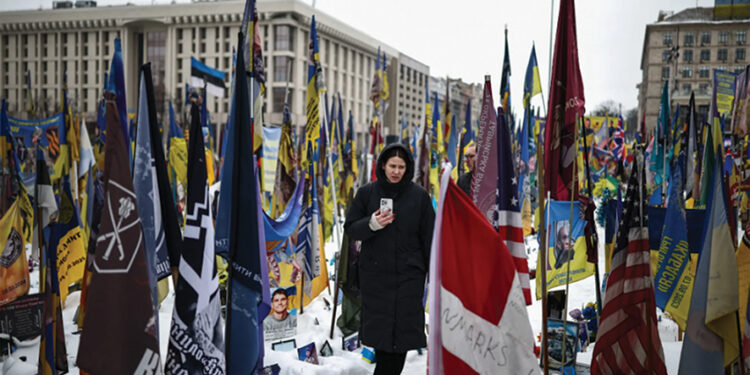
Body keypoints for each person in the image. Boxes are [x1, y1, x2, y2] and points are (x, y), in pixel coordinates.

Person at [344, 143, 435, 375]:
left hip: (409, 278)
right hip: (376, 279)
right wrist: (371, 224)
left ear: (408, 168)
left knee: (401, 341)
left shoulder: (420, 197)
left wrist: (434, 276)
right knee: (384, 340)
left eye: (401, 167)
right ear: (383, 165)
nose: (396, 171)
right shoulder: (367, 193)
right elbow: (351, 229)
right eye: (392, 166)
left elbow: (430, 239)